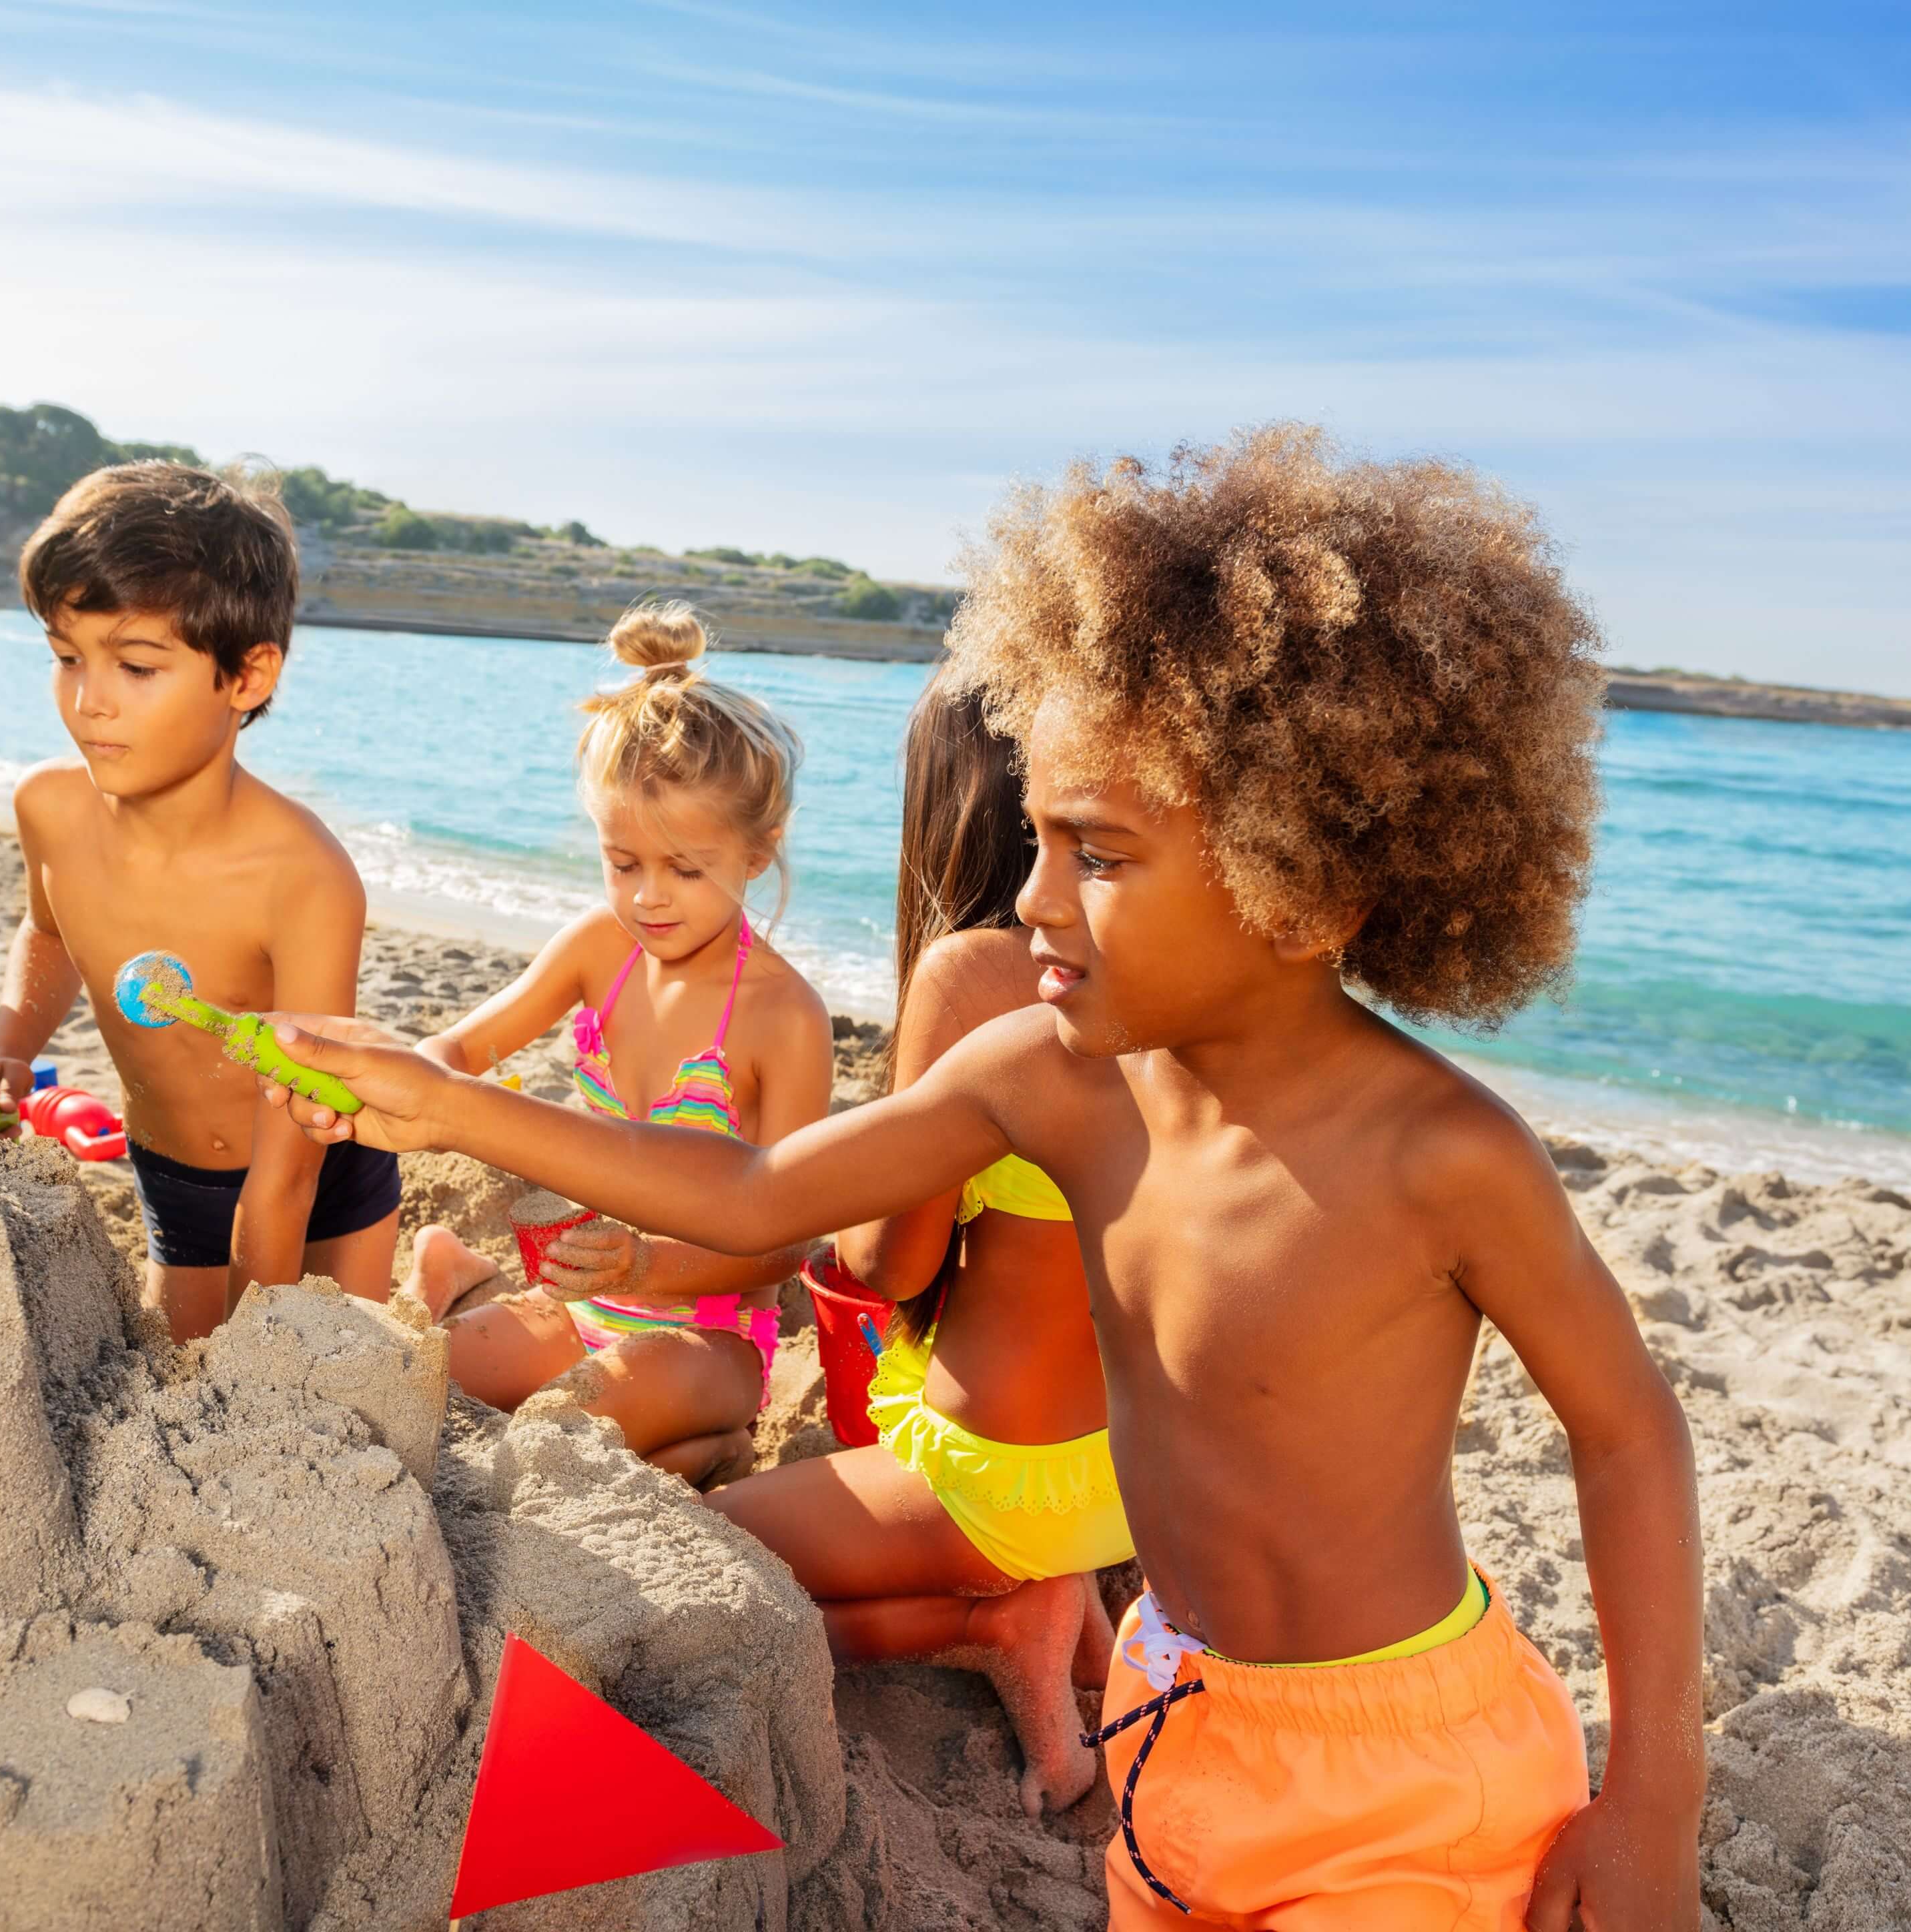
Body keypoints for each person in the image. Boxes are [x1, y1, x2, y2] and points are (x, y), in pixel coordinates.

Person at [270, 430, 1705, 1932]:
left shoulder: (1444, 1154)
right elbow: (759, 1187)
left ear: (1307, 878)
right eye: (1042, 837)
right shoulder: (1051, 1074)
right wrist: (449, 1102)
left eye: (1101, 852)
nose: (1033, 895)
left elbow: (1628, 1433)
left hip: (1408, 1775)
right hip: (1174, 1709)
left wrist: (1657, 1807)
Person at [708, 680, 1124, 1817]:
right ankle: (1053, 1592)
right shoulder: (1173, 972)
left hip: (1000, 1480)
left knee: (700, 1557)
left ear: (948, 806)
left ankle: (997, 1617)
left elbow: (890, 1262)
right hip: (1126, 1473)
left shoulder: (977, 975)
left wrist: (850, 1197)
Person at [0, 462, 396, 1336]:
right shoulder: (50, 809)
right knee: (175, 1362)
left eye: (138, 666)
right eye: (67, 658)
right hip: (171, 1174)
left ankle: (451, 1280)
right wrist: (12, 1045)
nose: (89, 701)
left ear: (247, 677)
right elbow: (47, 934)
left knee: (331, 1387)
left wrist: (261, 1325)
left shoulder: (302, 874)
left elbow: (302, 1126)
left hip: (313, 1176)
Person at [400, 603, 833, 1486]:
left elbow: (785, 1246)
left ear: (761, 850)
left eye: (685, 868)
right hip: (575, 1304)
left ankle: (704, 1434)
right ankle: (686, 1450)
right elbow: (463, 1049)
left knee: (562, 1438)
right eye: (622, 862)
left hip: (705, 1335)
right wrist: (393, 1078)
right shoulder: (601, 947)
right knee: (409, 1386)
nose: (648, 899)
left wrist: (644, 1264)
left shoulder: (785, 1016)